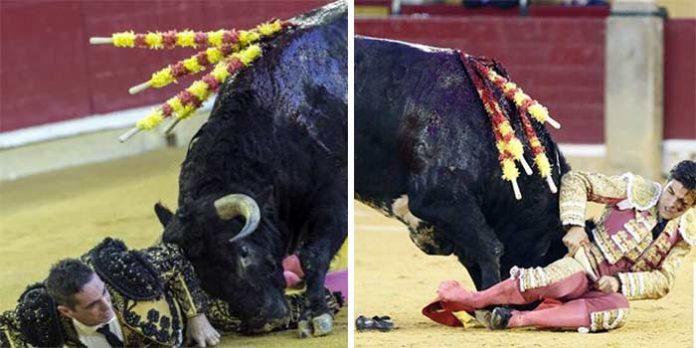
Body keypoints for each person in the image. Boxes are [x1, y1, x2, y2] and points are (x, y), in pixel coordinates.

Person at [434, 160, 696, 332]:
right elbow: (577, 180)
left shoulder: (684, 234)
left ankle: (518, 320)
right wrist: (575, 226)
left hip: (606, 289)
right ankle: (475, 299)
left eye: (683, 203)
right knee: (561, 280)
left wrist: (620, 284)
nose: (673, 203)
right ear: (667, 182)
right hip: (582, 264)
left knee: (618, 310)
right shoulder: (635, 189)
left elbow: (664, 280)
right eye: (672, 192)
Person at [0, 238, 342, 347]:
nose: (106, 305)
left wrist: (196, 316)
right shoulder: (41, 317)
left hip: (190, 306)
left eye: (104, 294)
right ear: (67, 312)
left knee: (264, 315)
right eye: (92, 305)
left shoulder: (124, 271)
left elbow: (174, 257)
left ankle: (313, 296)